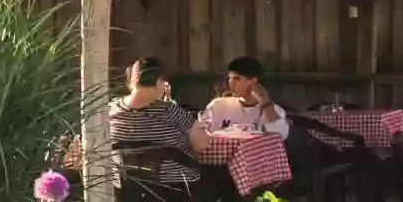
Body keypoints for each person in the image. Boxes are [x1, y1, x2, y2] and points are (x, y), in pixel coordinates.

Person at [109, 56, 211, 190]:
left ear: (131, 82)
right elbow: (201, 146)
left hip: (127, 188)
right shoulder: (169, 110)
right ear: (158, 83)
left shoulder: (111, 110)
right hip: (175, 188)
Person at [203, 56, 289, 139]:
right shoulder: (217, 106)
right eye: (230, 78)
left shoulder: (274, 111)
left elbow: (279, 135)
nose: (231, 83)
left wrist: (265, 104)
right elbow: (201, 131)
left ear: (253, 81)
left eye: (237, 79)